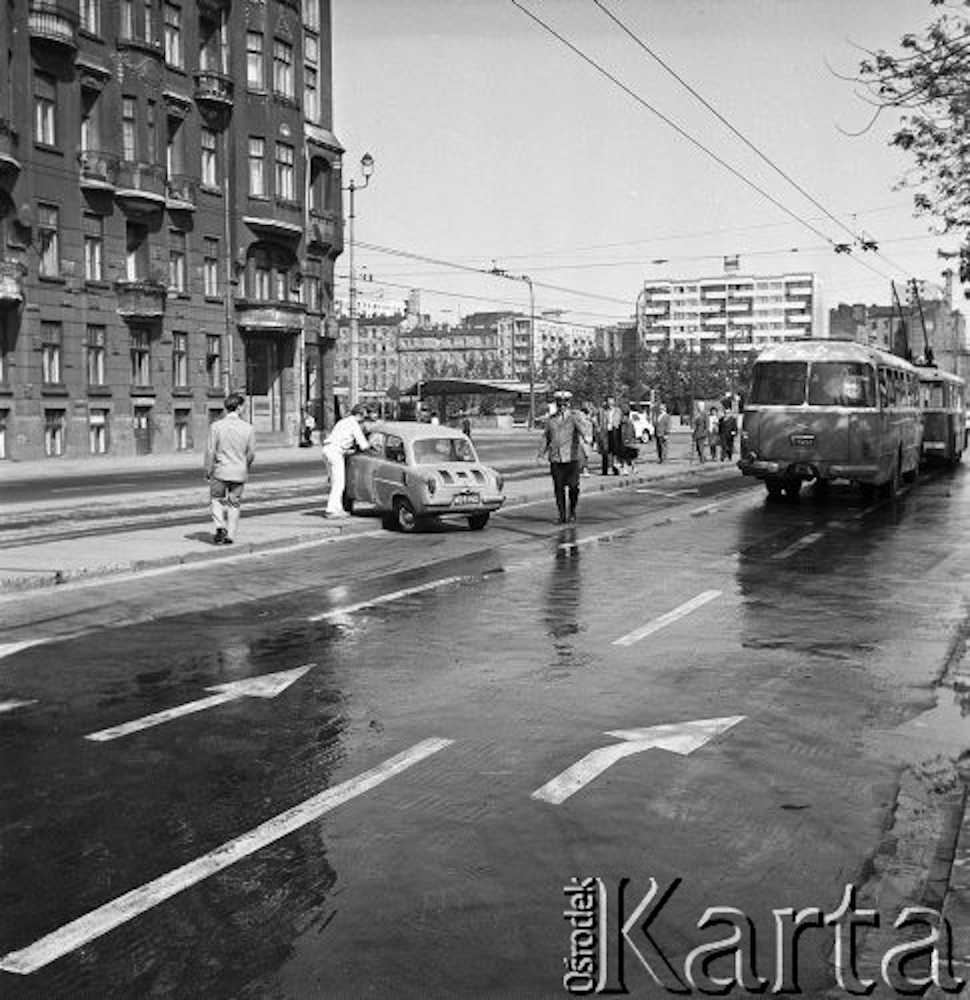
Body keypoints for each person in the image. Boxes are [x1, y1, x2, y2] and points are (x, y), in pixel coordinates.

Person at [204, 392, 256, 545]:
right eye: (243, 406)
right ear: (239, 407)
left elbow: (210, 450)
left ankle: (220, 527)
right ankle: (230, 535)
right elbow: (251, 453)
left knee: (216, 499)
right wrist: (244, 465)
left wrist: (208, 469)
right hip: (238, 471)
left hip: (220, 470)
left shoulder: (216, 426)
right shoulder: (248, 428)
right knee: (234, 503)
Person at [537, 390, 590, 524]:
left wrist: (587, 437)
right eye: (559, 405)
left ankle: (572, 510)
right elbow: (546, 437)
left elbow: (583, 430)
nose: (562, 407)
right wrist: (541, 454)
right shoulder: (551, 420)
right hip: (556, 459)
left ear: (568, 404)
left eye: (564, 404)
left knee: (573, 487)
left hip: (571, 458)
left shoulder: (573, 417)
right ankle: (562, 515)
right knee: (558, 488)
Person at [322, 404, 371, 518]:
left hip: (327, 449)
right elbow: (363, 445)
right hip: (335, 452)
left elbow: (339, 437)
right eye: (364, 415)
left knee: (335, 482)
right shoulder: (354, 424)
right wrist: (371, 445)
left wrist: (348, 449)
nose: (364, 418)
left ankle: (338, 509)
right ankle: (331, 510)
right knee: (339, 483)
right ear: (360, 414)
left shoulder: (343, 421)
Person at [597, 395, 623, 475]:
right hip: (605, 431)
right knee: (605, 451)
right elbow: (598, 420)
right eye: (608, 401)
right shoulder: (602, 411)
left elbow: (620, 420)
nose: (610, 403)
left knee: (614, 451)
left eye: (611, 401)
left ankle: (615, 469)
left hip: (615, 431)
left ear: (614, 402)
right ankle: (604, 470)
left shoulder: (618, 410)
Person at [617, 403, 639, 474]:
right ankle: (627, 469)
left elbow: (630, 432)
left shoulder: (628, 422)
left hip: (628, 442)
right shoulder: (623, 422)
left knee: (629, 456)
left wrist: (627, 439)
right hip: (624, 441)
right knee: (626, 456)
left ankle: (632, 468)